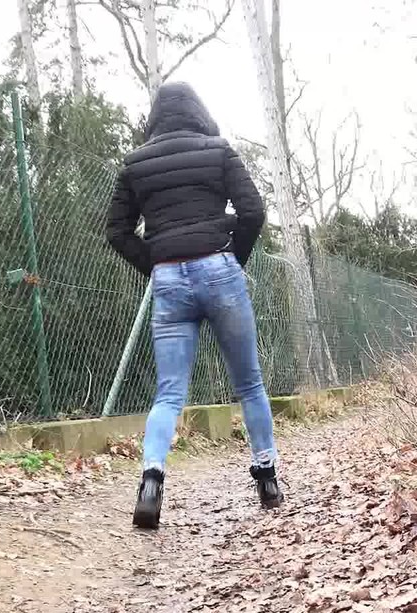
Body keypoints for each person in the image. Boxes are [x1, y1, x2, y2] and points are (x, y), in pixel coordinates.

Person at [104, 81, 283, 530]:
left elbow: (117, 231)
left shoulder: (135, 164)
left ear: (155, 118)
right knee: (249, 383)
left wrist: (156, 262)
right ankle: (267, 479)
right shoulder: (218, 150)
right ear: (198, 112)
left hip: (169, 279)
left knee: (169, 393)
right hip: (220, 271)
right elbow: (253, 211)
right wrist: (232, 256)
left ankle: (151, 480)